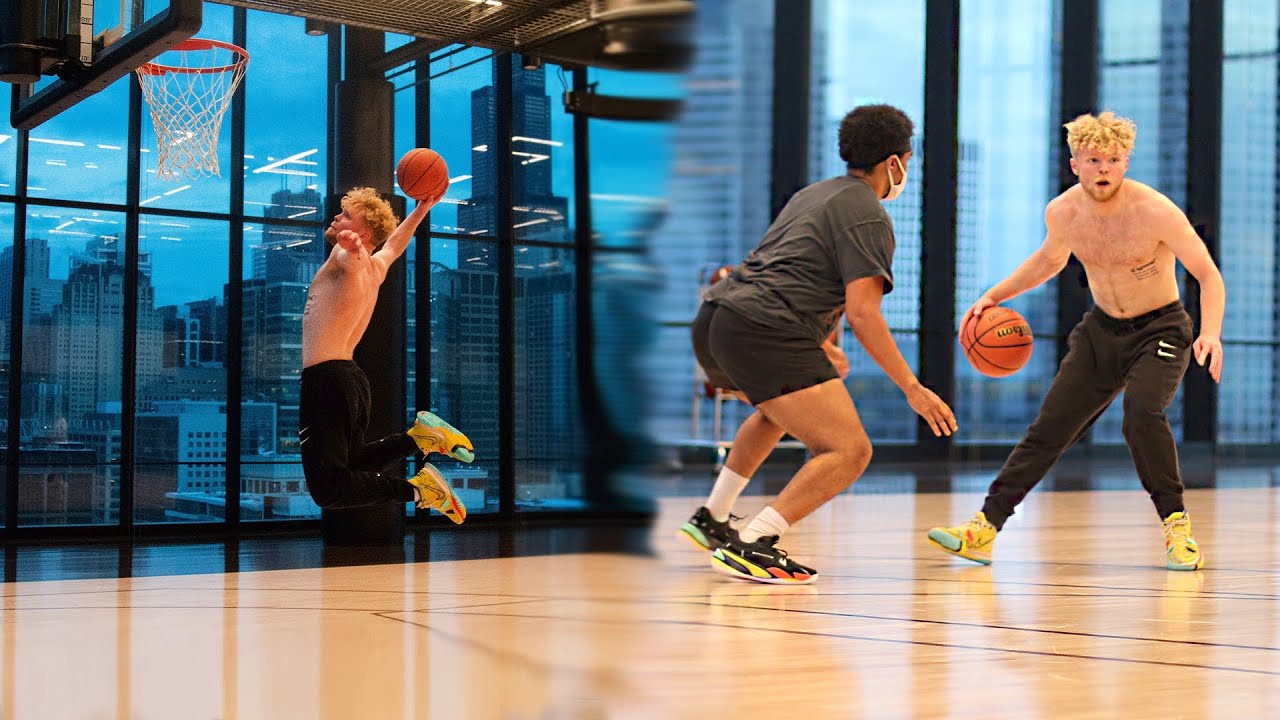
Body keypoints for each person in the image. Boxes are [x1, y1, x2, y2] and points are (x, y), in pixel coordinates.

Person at [928, 111, 1225, 571]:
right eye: (1093, 160)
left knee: (1142, 413)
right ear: (1075, 165)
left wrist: (1211, 334)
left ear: (1126, 163)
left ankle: (1177, 528)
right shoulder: (1063, 212)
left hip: (1161, 329)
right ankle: (983, 530)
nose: (1103, 168)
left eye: (1112, 159)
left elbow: (1207, 274)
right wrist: (994, 294)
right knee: (1049, 430)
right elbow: (1048, 261)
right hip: (1102, 331)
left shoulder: (1156, 211)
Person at [680, 104, 957, 585]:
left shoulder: (815, 194)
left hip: (717, 321)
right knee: (849, 450)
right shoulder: (869, 216)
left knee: (774, 413)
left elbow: (789, 269)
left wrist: (817, 346)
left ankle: (714, 517)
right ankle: (756, 542)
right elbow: (864, 311)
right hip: (763, 330)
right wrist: (912, 386)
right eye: (908, 162)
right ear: (895, 162)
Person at [299, 187, 475, 521]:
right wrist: (422, 208)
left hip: (326, 381)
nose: (337, 217)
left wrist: (350, 246)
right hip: (350, 380)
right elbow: (394, 243)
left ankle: (422, 490)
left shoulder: (346, 256)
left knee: (329, 488)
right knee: (353, 464)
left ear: (362, 233)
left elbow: (350, 256)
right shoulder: (375, 267)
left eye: (346, 215)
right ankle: (419, 438)